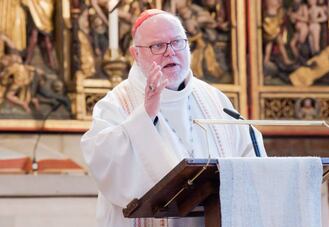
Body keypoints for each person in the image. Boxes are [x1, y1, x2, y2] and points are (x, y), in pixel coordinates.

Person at [81, 9, 266, 227]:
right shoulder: (117, 103)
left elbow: (249, 159)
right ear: (135, 54)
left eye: (177, 42)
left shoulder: (215, 100)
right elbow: (102, 160)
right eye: (157, 46)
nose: (170, 52)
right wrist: (145, 115)